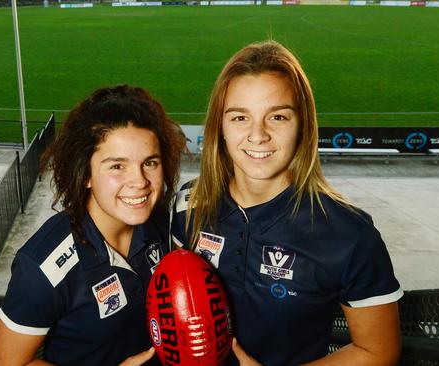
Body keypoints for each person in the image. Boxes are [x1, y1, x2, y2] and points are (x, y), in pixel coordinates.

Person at [171, 40, 403, 366]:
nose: (258, 135)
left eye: (277, 117)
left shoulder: (349, 234)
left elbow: (379, 351)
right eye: (239, 118)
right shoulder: (189, 204)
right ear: (219, 127)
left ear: (302, 126)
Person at [0, 84, 186, 366]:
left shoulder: (159, 224)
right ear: (86, 174)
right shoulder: (42, 268)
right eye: (117, 166)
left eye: (150, 163)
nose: (140, 181)